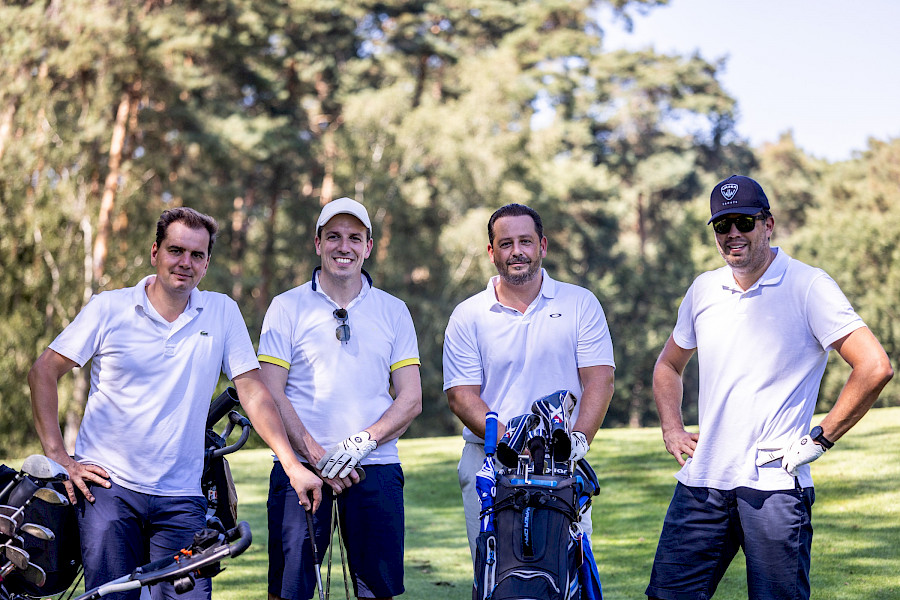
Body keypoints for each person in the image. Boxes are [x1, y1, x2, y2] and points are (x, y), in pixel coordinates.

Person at [28, 207, 323, 600]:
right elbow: (43, 372)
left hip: (182, 495)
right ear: (155, 252)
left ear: (206, 264)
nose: (185, 262)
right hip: (109, 491)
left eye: (197, 255)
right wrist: (59, 457)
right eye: (176, 250)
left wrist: (291, 464)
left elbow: (252, 391)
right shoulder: (108, 308)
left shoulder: (221, 312)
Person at [646, 175, 893, 600]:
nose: (733, 234)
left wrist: (822, 438)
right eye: (722, 226)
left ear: (768, 224)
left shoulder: (808, 285)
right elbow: (668, 365)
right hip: (702, 483)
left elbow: (874, 366)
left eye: (743, 222)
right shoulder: (704, 288)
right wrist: (671, 426)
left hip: (776, 487)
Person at [258, 197, 422, 600]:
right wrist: (319, 457)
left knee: (377, 592)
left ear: (368, 247)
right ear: (318, 243)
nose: (343, 246)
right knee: (288, 591)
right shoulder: (286, 306)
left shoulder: (394, 310)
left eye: (354, 238)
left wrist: (360, 443)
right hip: (300, 469)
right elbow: (269, 391)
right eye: (333, 236)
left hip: (375, 467)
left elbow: (411, 399)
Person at [442, 203, 616, 559]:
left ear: (543, 246)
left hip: (561, 463)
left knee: (566, 574)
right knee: (494, 578)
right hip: (489, 462)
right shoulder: (468, 314)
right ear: (492, 253)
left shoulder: (580, 303)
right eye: (505, 244)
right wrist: (516, 443)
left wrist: (578, 439)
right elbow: (461, 396)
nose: (516, 251)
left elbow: (600, 379)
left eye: (525, 241)